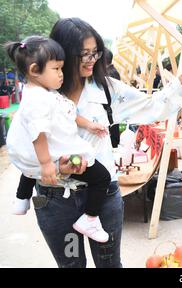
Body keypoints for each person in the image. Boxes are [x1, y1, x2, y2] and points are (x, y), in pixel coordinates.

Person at [44, 17, 182, 268]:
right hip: (55, 198)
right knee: (71, 265)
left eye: (95, 52)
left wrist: (180, 83)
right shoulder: (42, 95)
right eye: (83, 54)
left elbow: (152, 107)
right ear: (62, 53)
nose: (92, 60)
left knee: (110, 265)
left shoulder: (108, 90)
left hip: (103, 197)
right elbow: (25, 147)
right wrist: (54, 166)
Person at [5, 36, 112, 243]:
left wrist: (88, 124)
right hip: (53, 151)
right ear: (35, 70)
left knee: (29, 167)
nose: (62, 75)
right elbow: (38, 134)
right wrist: (46, 164)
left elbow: (68, 113)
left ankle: (21, 198)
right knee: (102, 177)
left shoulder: (44, 92)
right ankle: (90, 219)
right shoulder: (38, 99)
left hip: (36, 151)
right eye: (57, 69)